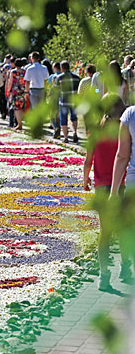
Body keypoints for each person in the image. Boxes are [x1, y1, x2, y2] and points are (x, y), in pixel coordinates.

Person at [84, 93, 129, 290]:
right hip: (122, 184)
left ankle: (104, 276)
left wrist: (85, 179)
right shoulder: (124, 131)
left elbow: (87, 161)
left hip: (101, 186)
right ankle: (126, 267)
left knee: (104, 232)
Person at [55, 60, 80, 143]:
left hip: (63, 101)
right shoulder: (76, 78)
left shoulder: (59, 78)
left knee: (63, 120)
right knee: (74, 117)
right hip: (73, 101)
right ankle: (75, 132)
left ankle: (66, 138)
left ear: (62, 68)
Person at [7, 58, 26, 130]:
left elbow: (10, 82)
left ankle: (19, 124)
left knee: (16, 108)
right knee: (21, 107)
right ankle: (19, 123)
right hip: (22, 91)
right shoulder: (24, 72)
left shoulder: (13, 72)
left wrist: (8, 91)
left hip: (15, 91)